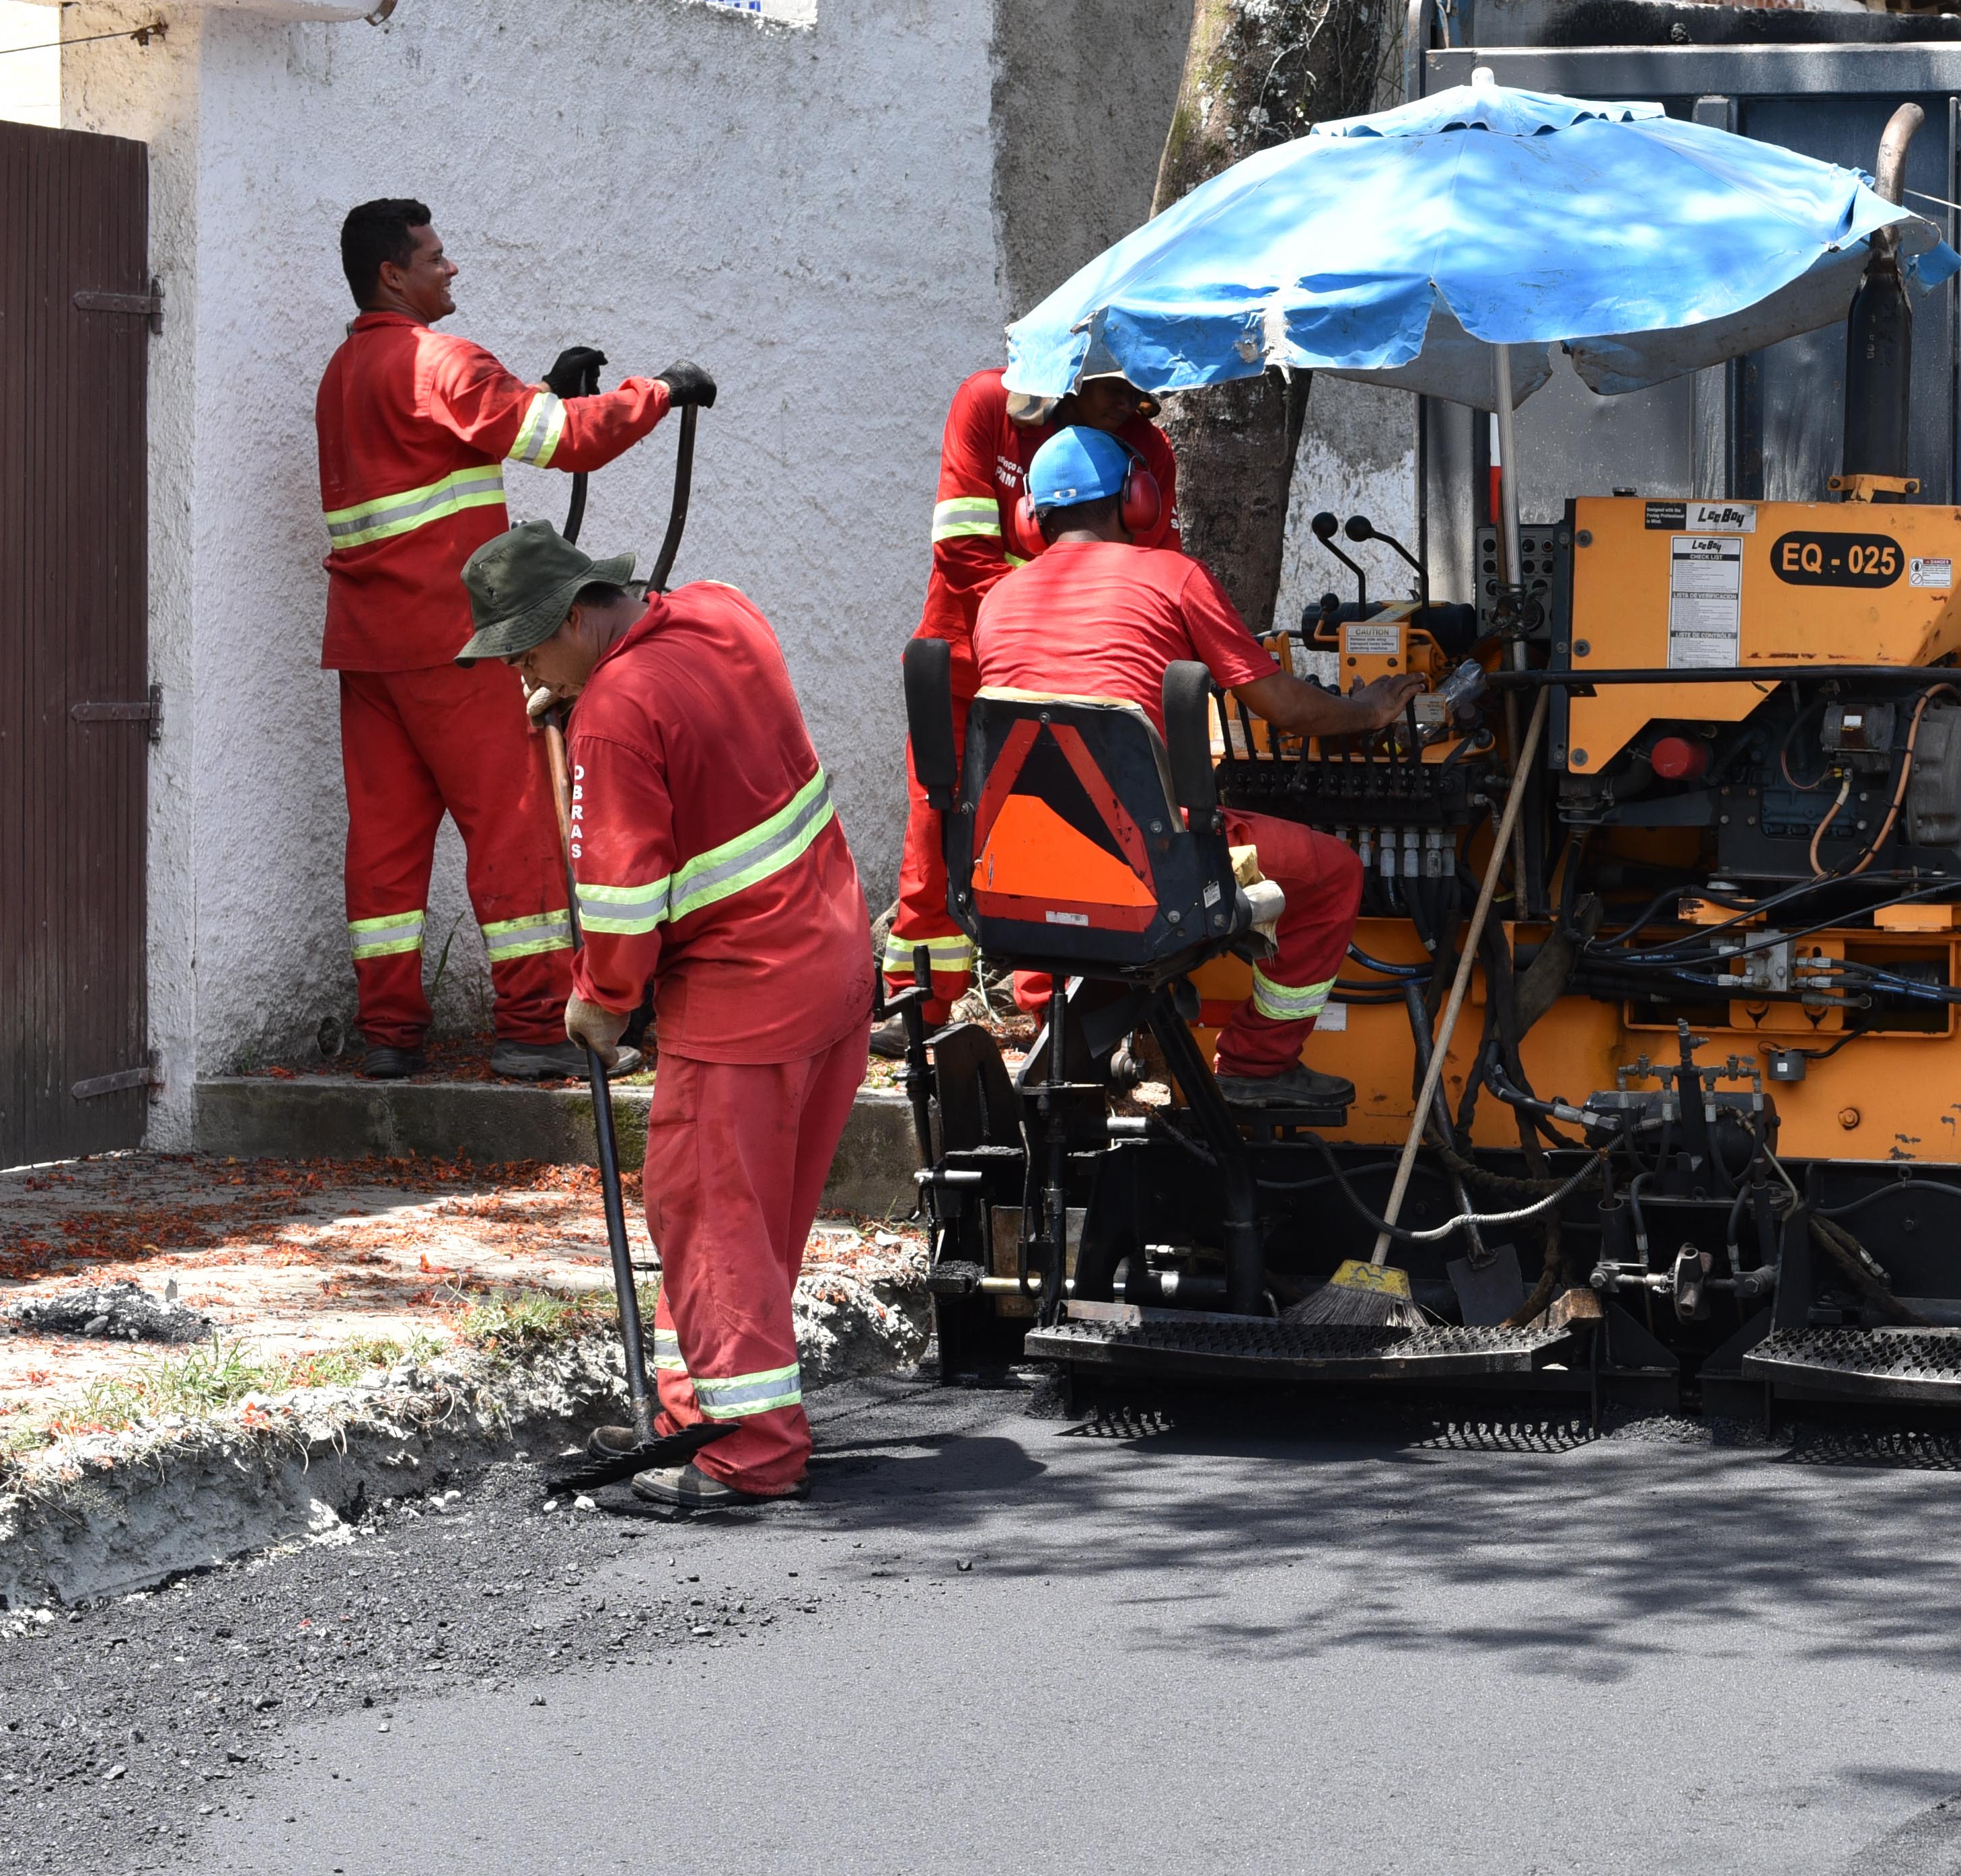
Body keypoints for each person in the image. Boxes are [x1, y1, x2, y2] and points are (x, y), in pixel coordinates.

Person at [462, 519, 870, 1515]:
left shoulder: (614, 714)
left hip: (743, 998)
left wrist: (600, 1003)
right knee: (754, 1227)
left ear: (572, 618)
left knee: (710, 1220)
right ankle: (698, 1410)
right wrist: (581, 700)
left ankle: (752, 1453)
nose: (519, 673)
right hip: (833, 961)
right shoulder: (723, 613)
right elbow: (699, 749)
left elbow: (619, 899)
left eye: (523, 651)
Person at [317, 196, 697, 1080]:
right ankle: (533, 1027)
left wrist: (545, 390)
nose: (450, 267)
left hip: (371, 650)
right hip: (456, 644)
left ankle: (387, 1033)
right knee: (514, 825)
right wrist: (660, 392)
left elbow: (446, 440)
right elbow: (569, 444)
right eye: (435, 256)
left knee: (385, 845)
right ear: (393, 274)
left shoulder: (344, 373)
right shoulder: (441, 359)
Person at [966, 426, 1415, 1117]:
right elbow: (1283, 708)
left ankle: (1071, 1042)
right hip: (1153, 865)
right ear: (1137, 499)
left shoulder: (996, 600)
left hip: (1022, 870)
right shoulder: (1174, 577)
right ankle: (1257, 1063)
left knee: (1070, 874)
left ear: (1032, 517)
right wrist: (1367, 711)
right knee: (1333, 873)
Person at [885, 365, 1181, 1041]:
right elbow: (961, 551)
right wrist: (1054, 628)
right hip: (965, 675)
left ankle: (1059, 1019)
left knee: (1067, 842)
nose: (1130, 403)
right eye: (1114, 386)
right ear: (1072, 373)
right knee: (935, 840)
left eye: (1139, 390)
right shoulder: (988, 404)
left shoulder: (1148, 449)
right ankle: (918, 1007)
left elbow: (1153, 569)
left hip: (1078, 685)